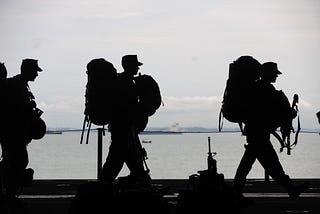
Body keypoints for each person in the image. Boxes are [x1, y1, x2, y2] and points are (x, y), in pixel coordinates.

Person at [233, 61, 309, 205]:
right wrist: (291, 113)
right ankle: (290, 189)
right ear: (267, 74)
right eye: (274, 73)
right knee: (269, 164)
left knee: (256, 163)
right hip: (259, 133)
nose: (276, 76)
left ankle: (290, 189)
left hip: (256, 132)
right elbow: (279, 111)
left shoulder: (257, 88)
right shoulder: (266, 90)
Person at [98, 55, 151, 188]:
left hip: (125, 127)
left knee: (131, 157)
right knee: (116, 157)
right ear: (128, 66)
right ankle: (104, 184)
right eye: (135, 65)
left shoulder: (123, 81)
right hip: (123, 127)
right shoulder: (125, 82)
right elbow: (127, 106)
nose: (138, 67)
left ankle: (139, 179)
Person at [0, 59, 43, 203]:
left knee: (13, 162)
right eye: (35, 71)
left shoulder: (19, 85)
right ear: (27, 70)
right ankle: (9, 195)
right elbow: (15, 112)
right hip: (13, 134)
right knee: (17, 162)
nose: (37, 74)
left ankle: (9, 194)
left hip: (15, 134)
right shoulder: (17, 85)